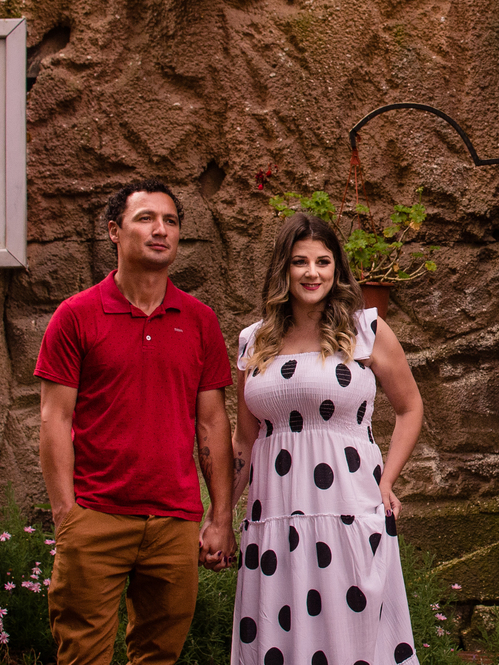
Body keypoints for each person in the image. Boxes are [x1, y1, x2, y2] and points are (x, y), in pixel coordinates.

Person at [36, 178, 237, 665]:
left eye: (171, 221)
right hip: (96, 516)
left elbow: (212, 424)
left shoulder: (199, 320)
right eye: (146, 218)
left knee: (158, 658)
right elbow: (54, 418)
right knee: (82, 657)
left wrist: (220, 518)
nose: (160, 230)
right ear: (114, 231)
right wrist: (67, 517)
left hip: (174, 522)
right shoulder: (76, 315)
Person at [225, 214, 423, 665]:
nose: (311, 272)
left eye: (323, 261)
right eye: (300, 261)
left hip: (348, 509)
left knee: (351, 637)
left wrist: (386, 482)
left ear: (337, 269)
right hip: (274, 515)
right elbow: (245, 438)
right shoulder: (253, 341)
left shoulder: (366, 330)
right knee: (278, 636)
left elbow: (411, 408)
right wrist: (219, 516)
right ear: (283, 268)